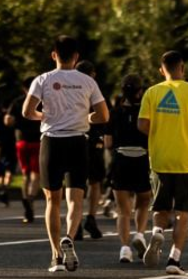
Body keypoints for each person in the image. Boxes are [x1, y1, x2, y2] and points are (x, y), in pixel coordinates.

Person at [23, 35, 109, 273]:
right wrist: (86, 117)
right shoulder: (87, 81)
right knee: (76, 199)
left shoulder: (43, 79)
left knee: (52, 200)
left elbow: (27, 111)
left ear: (54, 55)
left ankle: (56, 255)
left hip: (51, 142)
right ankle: (70, 237)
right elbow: (104, 116)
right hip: (78, 142)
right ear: (76, 57)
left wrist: (46, 116)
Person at [140, 50, 188, 274]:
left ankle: (157, 232)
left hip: (160, 159)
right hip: (187, 160)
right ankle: (174, 259)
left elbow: (142, 125)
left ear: (162, 70)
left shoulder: (152, 92)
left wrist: (161, 129)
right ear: (183, 68)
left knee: (160, 206)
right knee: (183, 213)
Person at [107, 75, 154, 264]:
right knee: (143, 202)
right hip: (142, 159)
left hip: (121, 160)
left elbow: (108, 142)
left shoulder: (115, 112)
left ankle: (125, 249)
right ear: (139, 91)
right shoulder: (147, 113)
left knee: (123, 210)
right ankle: (140, 234)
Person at [76, 60, 107, 242]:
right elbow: (103, 113)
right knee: (94, 182)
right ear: (93, 74)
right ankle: (91, 218)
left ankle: (77, 221)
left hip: (74, 136)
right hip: (93, 136)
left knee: (76, 182)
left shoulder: (68, 87)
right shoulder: (93, 87)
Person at [8, 96, 42, 224]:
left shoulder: (17, 101)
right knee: (35, 174)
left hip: (21, 141)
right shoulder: (42, 101)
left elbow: (8, 120)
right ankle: (30, 200)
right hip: (37, 141)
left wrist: (17, 124)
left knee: (25, 175)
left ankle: (25, 198)